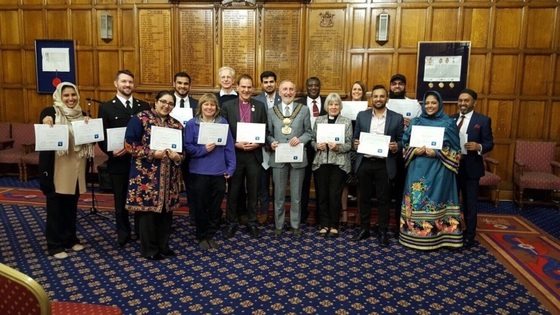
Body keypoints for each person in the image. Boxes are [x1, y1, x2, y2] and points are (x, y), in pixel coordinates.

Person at [399, 90, 463, 250]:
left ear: (439, 104)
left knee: (437, 201)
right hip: (417, 169)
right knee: (415, 200)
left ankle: (440, 237)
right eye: (426, 103)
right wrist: (415, 150)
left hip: (439, 172)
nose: (430, 106)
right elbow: (405, 145)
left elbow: (457, 151)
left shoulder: (448, 123)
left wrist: (437, 152)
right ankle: (412, 235)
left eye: (433, 103)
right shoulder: (416, 122)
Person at [124, 91, 184, 260]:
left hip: (169, 177)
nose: (166, 106)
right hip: (146, 177)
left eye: (170, 103)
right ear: (155, 102)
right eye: (163, 102)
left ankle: (163, 246)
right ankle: (149, 250)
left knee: (166, 213)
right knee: (148, 214)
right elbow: (129, 144)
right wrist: (152, 153)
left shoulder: (176, 125)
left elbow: (182, 151)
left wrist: (178, 157)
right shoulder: (141, 119)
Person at [39, 82, 94, 259]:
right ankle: (55, 245)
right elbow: (44, 132)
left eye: (73, 95)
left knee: (71, 207)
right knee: (56, 207)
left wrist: (90, 127)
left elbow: (90, 141)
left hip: (78, 168)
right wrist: (46, 123)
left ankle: (70, 239)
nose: (71, 99)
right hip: (58, 169)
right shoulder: (50, 113)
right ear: (59, 97)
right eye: (66, 95)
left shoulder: (83, 115)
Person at [98, 70, 150, 247]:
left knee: (140, 198)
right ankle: (123, 233)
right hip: (118, 161)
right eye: (124, 82)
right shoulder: (106, 107)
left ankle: (140, 231)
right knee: (120, 201)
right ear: (116, 84)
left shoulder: (143, 106)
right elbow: (101, 135)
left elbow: (148, 133)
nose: (127, 85)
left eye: (130, 82)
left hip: (140, 162)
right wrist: (110, 151)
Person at [352, 85, 403, 247]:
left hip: (385, 164)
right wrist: (356, 144)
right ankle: (364, 228)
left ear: (387, 99)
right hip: (365, 162)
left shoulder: (397, 117)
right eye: (375, 96)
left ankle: (383, 231)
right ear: (371, 99)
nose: (378, 99)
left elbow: (403, 140)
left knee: (384, 200)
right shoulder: (362, 116)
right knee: (364, 198)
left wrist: (397, 146)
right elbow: (355, 138)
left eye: (382, 96)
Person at [184, 93, 236, 249]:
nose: (209, 107)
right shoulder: (192, 124)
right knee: (201, 205)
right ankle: (201, 235)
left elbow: (229, 148)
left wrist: (231, 168)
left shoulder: (222, 123)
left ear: (216, 108)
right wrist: (203, 150)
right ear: (200, 107)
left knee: (215, 207)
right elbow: (187, 147)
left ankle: (210, 234)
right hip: (199, 171)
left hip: (219, 171)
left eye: (212, 105)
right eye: (206, 104)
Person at [221, 74, 267, 239]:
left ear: (253, 89)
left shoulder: (260, 106)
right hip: (235, 154)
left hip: (254, 155)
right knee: (233, 191)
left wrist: (259, 143)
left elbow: (265, 130)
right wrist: (235, 144)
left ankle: (252, 222)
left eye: (249, 87)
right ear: (237, 87)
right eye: (243, 87)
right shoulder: (227, 106)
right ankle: (231, 222)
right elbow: (223, 131)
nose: (246, 90)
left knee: (253, 191)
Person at [267, 80, 312, 237]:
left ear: (295, 92)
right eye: (284, 89)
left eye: (291, 89)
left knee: (296, 195)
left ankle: (295, 225)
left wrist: (300, 139)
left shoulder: (304, 110)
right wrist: (271, 141)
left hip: (297, 158)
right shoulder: (272, 111)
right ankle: (279, 225)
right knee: (278, 195)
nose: (287, 92)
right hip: (278, 157)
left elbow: (309, 132)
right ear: (279, 93)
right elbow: (268, 133)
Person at [451, 89, 494, 248]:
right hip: (452, 167)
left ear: (474, 102)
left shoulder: (482, 120)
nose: (462, 103)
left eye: (466, 100)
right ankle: (453, 231)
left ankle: (469, 235)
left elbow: (490, 143)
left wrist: (479, 146)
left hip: (471, 168)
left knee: (470, 203)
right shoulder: (451, 119)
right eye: (460, 100)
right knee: (452, 202)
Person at [311, 93, 352, 237]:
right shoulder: (319, 120)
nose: (333, 107)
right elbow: (311, 140)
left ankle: (334, 225)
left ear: (340, 106)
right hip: (321, 162)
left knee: (335, 195)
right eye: (330, 104)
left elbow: (349, 144)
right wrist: (317, 145)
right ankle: (324, 224)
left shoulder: (346, 122)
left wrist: (338, 148)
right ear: (326, 106)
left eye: (336, 104)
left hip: (338, 163)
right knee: (322, 195)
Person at [386, 74, 422, 237]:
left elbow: (423, 127)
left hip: (405, 152)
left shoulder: (413, 104)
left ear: (405, 86)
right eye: (394, 84)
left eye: (400, 84)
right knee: (385, 189)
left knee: (402, 190)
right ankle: (384, 223)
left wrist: (411, 123)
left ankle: (400, 224)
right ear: (390, 86)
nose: (397, 87)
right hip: (384, 151)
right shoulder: (384, 101)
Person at [295, 77, 327, 224]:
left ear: (320, 86)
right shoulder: (299, 103)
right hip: (304, 148)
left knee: (321, 183)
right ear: (306, 88)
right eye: (310, 85)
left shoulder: (328, 102)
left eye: (316, 85)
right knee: (304, 182)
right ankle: (302, 214)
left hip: (324, 149)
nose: (313, 88)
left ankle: (321, 216)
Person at [253, 71, 282, 225]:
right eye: (266, 82)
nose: (269, 84)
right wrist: (265, 141)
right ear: (262, 84)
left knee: (279, 183)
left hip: (280, 147)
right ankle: (264, 212)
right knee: (262, 183)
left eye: (271, 81)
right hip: (263, 148)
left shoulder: (283, 98)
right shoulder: (255, 100)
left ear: (275, 83)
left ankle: (278, 214)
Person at [171, 72, 198, 225]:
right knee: (169, 185)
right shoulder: (167, 102)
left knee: (192, 186)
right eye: (179, 83)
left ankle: (194, 218)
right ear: (174, 84)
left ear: (190, 86)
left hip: (191, 151)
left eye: (185, 84)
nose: (182, 86)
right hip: (170, 151)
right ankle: (166, 220)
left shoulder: (196, 104)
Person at [341, 81, 366, 224]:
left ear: (363, 92)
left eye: (359, 90)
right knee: (344, 181)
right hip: (346, 148)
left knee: (360, 183)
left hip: (360, 148)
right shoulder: (344, 107)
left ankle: (359, 213)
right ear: (351, 92)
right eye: (354, 89)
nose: (356, 92)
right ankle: (344, 213)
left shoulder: (367, 109)